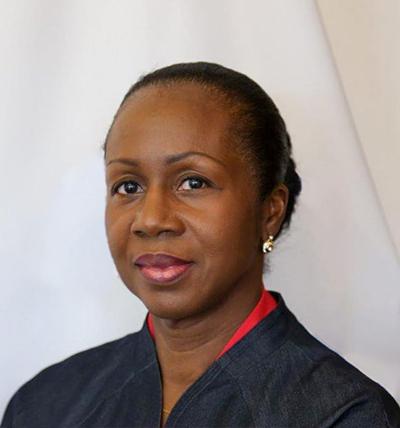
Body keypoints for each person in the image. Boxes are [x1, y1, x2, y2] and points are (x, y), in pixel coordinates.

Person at [2, 62, 399, 428]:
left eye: (193, 182)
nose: (151, 219)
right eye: (128, 186)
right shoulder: (45, 406)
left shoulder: (345, 416)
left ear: (270, 212)